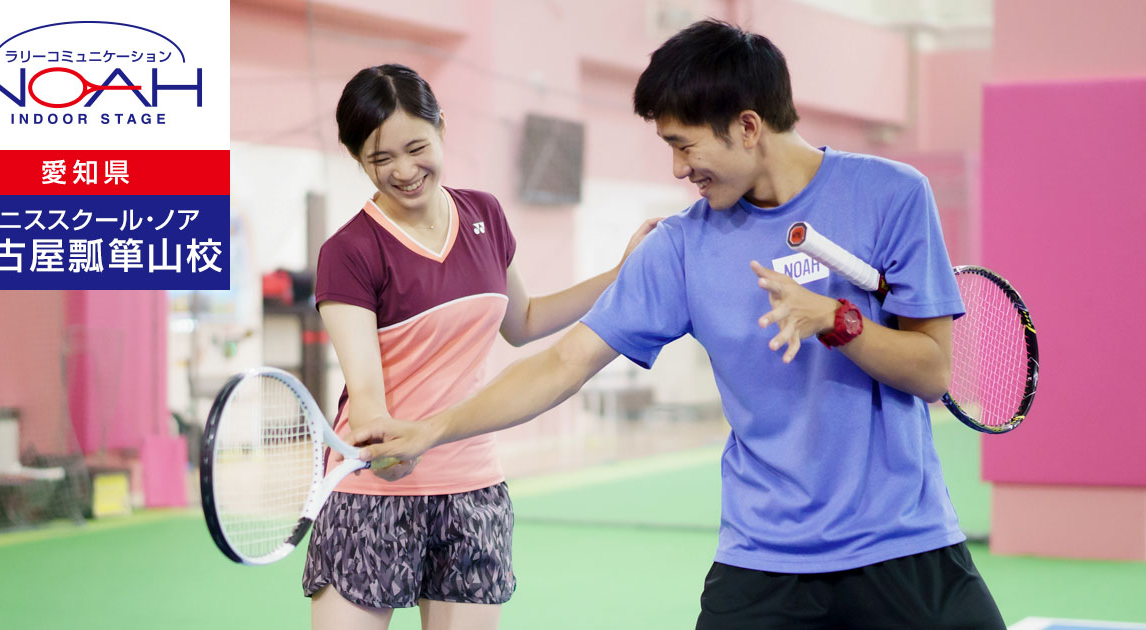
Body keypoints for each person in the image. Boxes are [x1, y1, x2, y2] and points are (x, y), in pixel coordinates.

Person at [349, 21, 1006, 630]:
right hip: (764, 560)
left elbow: (932, 372)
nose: (676, 169)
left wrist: (837, 321)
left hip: (903, 546)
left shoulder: (893, 196)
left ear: (747, 126)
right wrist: (434, 428)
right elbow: (562, 363)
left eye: (682, 145)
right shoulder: (681, 246)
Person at [302, 63, 658, 630]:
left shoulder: (484, 215)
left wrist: (621, 273)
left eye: (416, 147)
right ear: (357, 160)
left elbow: (525, 320)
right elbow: (365, 392)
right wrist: (384, 441)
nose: (403, 171)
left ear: (442, 125)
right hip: (374, 489)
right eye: (380, 159)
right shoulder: (349, 250)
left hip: (472, 486)